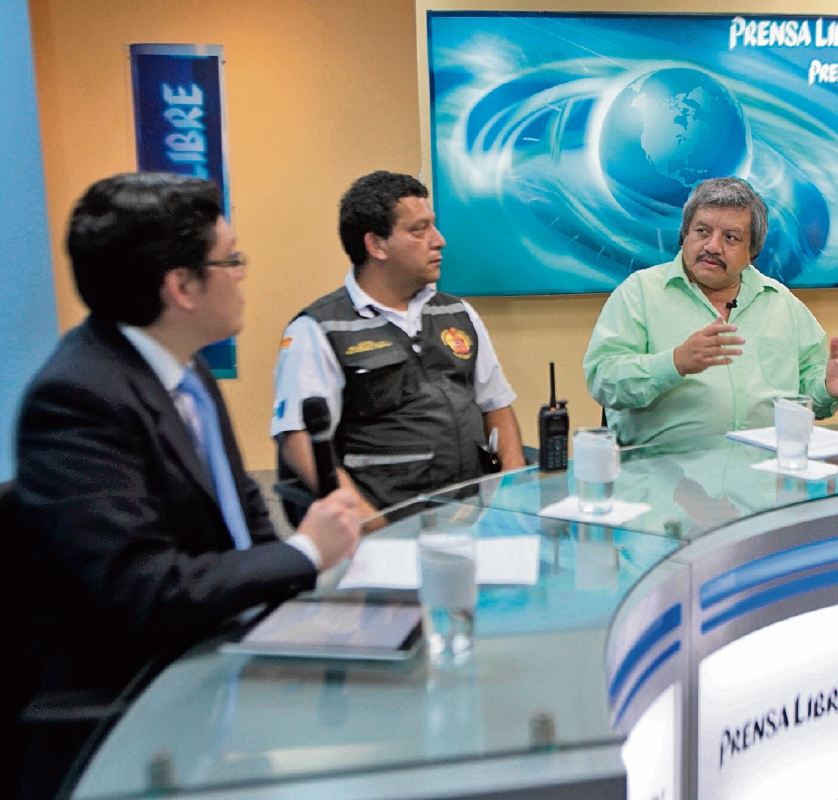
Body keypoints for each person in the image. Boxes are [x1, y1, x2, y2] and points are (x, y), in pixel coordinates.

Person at [14, 173, 362, 797]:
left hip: (224, 661)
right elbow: (145, 591)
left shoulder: (185, 366)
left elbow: (245, 521)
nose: (242, 273)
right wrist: (306, 552)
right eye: (231, 259)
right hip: (126, 711)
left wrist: (304, 603)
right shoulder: (75, 399)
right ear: (181, 287)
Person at [272, 171, 523, 514]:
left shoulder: (457, 312)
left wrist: (512, 493)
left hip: (472, 512)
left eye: (433, 226)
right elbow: (298, 441)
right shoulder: (318, 329)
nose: (439, 240)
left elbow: (496, 404)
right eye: (419, 231)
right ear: (376, 245)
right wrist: (368, 523)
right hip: (390, 518)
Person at [583, 177, 838, 446]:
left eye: (730, 238)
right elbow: (603, 379)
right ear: (684, 236)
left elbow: (808, 399)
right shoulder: (640, 293)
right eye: (702, 231)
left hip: (766, 475)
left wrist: (826, 388)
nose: (712, 246)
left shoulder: (781, 302)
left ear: (752, 252)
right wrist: (674, 363)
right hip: (668, 474)